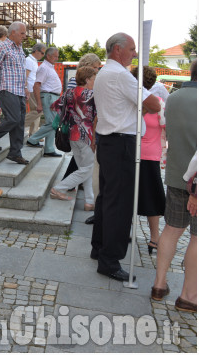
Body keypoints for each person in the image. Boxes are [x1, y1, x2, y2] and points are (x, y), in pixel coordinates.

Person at [90, 33, 161, 282]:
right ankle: (110, 260)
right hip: (121, 143)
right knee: (119, 203)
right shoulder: (120, 75)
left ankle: (99, 248)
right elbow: (154, 104)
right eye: (131, 49)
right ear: (117, 50)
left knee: (107, 199)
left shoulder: (104, 73)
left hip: (110, 141)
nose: (134, 53)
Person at [151, 60, 196, 312]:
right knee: (197, 238)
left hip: (177, 174)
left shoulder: (174, 97)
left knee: (171, 229)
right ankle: (189, 295)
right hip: (196, 180)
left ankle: (159, 284)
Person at [49, 66, 97, 209]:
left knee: (84, 168)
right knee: (88, 168)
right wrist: (94, 139)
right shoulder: (92, 95)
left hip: (72, 135)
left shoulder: (69, 92)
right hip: (87, 136)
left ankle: (89, 202)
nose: (95, 81)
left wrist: (71, 115)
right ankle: (58, 188)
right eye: (94, 78)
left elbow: (55, 106)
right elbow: (97, 118)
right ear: (87, 79)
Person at [130, 66, 166, 255]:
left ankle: (126, 231)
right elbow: (166, 128)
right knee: (151, 199)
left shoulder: (132, 101)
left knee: (129, 194)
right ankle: (154, 239)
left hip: (134, 153)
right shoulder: (158, 103)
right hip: (150, 155)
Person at [0, 22, 30, 165]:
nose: (24, 36)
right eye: (22, 33)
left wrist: (26, 87)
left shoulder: (20, 48)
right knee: (13, 118)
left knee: (19, 123)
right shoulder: (2, 46)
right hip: (7, 88)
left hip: (20, 90)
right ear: (13, 32)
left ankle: (15, 153)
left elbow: (21, 69)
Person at [25, 47, 63, 157]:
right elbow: (37, 85)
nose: (57, 58)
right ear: (48, 56)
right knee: (52, 124)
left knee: (52, 123)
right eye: (55, 56)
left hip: (52, 97)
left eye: (57, 56)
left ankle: (49, 149)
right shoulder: (44, 68)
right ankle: (32, 139)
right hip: (48, 97)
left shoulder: (49, 67)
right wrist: (39, 103)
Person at [24, 43, 47, 136]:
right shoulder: (29, 60)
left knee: (36, 111)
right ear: (36, 51)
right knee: (38, 110)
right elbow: (26, 75)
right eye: (42, 53)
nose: (43, 55)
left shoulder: (32, 61)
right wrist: (25, 88)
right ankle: (20, 124)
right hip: (31, 88)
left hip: (33, 88)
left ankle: (33, 133)